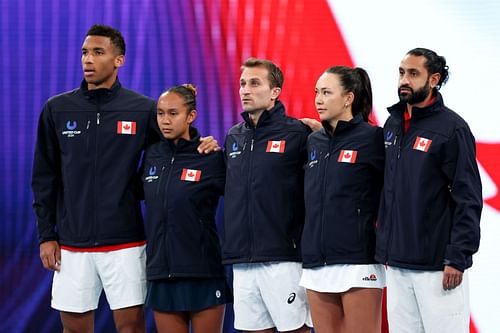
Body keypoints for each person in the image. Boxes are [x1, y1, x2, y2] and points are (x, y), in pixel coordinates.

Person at [31, 24, 217, 333]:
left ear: (119, 60)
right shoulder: (57, 109)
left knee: (131, 327)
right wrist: (46, 235)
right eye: (84, 53)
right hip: (71, 244)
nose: (88, 60)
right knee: (74, 329)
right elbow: (44, 176)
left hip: (126, 242)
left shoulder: (143, 109)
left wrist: (202, 144)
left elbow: (170, 157)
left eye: (98, 52)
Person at [375, 48, 482, 333]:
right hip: (396, 263)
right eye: (401, 72)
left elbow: (468, 197)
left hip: (438, 267)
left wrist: (457, 257)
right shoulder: (392, 124)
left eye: (413, 73)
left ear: (433, 79)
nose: (403, 80)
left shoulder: (452, 128)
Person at [222, 58, 312, 333]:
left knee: (294, 329)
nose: (245, 90)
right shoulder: (234, 136)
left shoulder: (297, 133)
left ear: (275, 91)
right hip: (242, 258)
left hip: (284, 258)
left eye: (254, 83)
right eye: (242, 84)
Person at [300, 66, 385, 333]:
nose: (318, 99)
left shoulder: (373, 138)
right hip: (316, 261)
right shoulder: (314, 141)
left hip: (358, 260)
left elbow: (393, 193)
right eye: (317, 92)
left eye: (327, 92)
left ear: (348, 98)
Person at [141, 84, 230, 333]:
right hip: (162, 273)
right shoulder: (152, 156)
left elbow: (242, 200)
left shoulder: (211, 156)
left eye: (173, 113)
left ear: (191, 116)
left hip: (203, 272)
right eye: (160, 113)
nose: (165, 121)